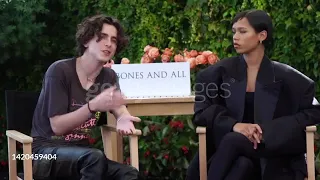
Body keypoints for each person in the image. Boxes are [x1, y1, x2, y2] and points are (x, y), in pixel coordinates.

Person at [186, 9, 320, 180]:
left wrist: (266, 131)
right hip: (232, 158)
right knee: (241, 163)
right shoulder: (216, 74)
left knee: (233, 141)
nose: (236, 37)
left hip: (272, 154)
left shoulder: (287, 77)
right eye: (234, 31)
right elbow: (201, 112)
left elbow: (314, 111)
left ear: (261, 35)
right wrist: (235, 125)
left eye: (243, 31)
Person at [30, 14, 141, 180]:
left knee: (129, 174)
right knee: (94, 158)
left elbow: (117, 105)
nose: (109, 43)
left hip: (83, 155)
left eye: (114, 40)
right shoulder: (59, 71)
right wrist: (92, 106)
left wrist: (123, 117)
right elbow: (58, 127)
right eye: (102, 37)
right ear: (86, 41)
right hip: (44, 153)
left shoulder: (108, 76)